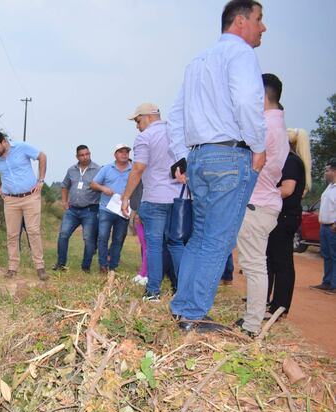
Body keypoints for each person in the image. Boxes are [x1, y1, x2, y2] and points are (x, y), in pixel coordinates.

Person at [167, 0, 268, 332]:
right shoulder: (240, 54)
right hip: (230, 154)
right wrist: (258, 146)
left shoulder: (197, 61)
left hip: (199, 156)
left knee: (200, 237)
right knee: (218, 240)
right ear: (240, 22)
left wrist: (182, 155)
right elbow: (246, 101)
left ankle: (183, 306)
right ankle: (193, 316)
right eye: (259, 19)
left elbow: (176, 116)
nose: (262, 27)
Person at [235, 73, 288, 336]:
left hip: (256, 205)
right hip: (267, 203)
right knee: (257, 264)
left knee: (255, 266)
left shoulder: (263, 126)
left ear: (261, 95)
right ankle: (251, 319)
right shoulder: (278, 125)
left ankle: (252, 324)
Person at [121, 103, 184, 301]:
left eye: (138, 121)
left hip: (156, 197)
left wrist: (126, 197)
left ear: (148, 117)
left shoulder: (145, 137)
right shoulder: (178, 133)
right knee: (176, 244)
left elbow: (138, 168)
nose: (137, 126)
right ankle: (181, 290)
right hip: (180, 198)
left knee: (154, 245)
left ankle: (153, 291)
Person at [0, 131, 49, 281]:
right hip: (10, 200)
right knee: (12, 235)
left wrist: (41, 180)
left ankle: (40, 268)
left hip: (30, 197)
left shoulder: (22, 147)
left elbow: (42, 157)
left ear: (4, 141)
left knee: (33, 232)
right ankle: (12, 268)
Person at [266, 128, 312, 313]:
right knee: (273, 259)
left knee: (282, 262)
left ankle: (281, 305)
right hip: (283, 216)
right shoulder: (291, 160)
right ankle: (272, 301)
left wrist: (265, 195)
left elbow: (287, 189)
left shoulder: (291, 161)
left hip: (285, 217)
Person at [53, 145, 101, 272]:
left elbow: (103, 187)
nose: (85, 157)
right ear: (77, 156)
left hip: (90, 210)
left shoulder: (98, 169)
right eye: (82, 155)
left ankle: (85, 267)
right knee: (63, 235)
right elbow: (64, 186)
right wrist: (64, 201)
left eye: (87, 154)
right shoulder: (71, 170)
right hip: (72, 210)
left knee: (88, 239)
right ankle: (61, 263)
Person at [91, 144, 132, 273]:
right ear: (115, 154)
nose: (124, 154)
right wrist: (103, 188)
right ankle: (103, 265)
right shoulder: (107, 168)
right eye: (121, 152)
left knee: (118, 239)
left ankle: (113, 266)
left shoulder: (133, 170)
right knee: (103, 237)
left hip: (123, 210)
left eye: (126, 152)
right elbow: (93, 184)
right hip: (106, 209)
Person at [311, 159, 336, 294]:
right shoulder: (329, 187)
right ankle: (326, 282)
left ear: (334, 171)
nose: (325, 173)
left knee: (334, 256)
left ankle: (334, 284)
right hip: (324, 227)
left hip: (333, 227)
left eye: (327, 170)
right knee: (326, 255)